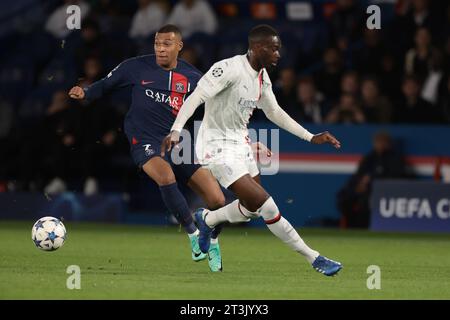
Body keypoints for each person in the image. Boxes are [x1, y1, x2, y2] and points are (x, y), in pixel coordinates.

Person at [163, 25, 343, 276]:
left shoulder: (261, 77)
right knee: (268, 207)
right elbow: (196, 97)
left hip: (241, 145)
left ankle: (208, 220)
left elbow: (274, 112)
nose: (278, 54)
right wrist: (176, 130)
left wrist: (310, 137)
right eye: (274, 49)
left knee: (250, 211)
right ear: (258, 48)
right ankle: (314, 258)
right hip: (216, 147)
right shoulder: (228, 68)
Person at [69, 25, 226, 272]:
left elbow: (218, 104)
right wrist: (85, 92)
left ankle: (212, 241)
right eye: (157, 44)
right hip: (144, 139)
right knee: (165, 175)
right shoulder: (135, 67)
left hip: (178, 141)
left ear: (179, 46)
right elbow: (105, 84)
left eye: (167, 44)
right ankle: (194, 235)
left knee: (217, 199)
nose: (160, 49)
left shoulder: (194, 77)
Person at [337, 131, 409, 228]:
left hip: (381, 191)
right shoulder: (370, 157)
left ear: (388, 143)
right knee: (344, 197)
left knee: (365, 202)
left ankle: (363, 228)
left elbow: (395, 176)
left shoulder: (395, 158)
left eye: (382, 142)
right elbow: (358, 175)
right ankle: (350, 226)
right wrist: (358, 185)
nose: (379, 144)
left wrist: (370, 182)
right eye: (377, 142)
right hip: (363, 189)